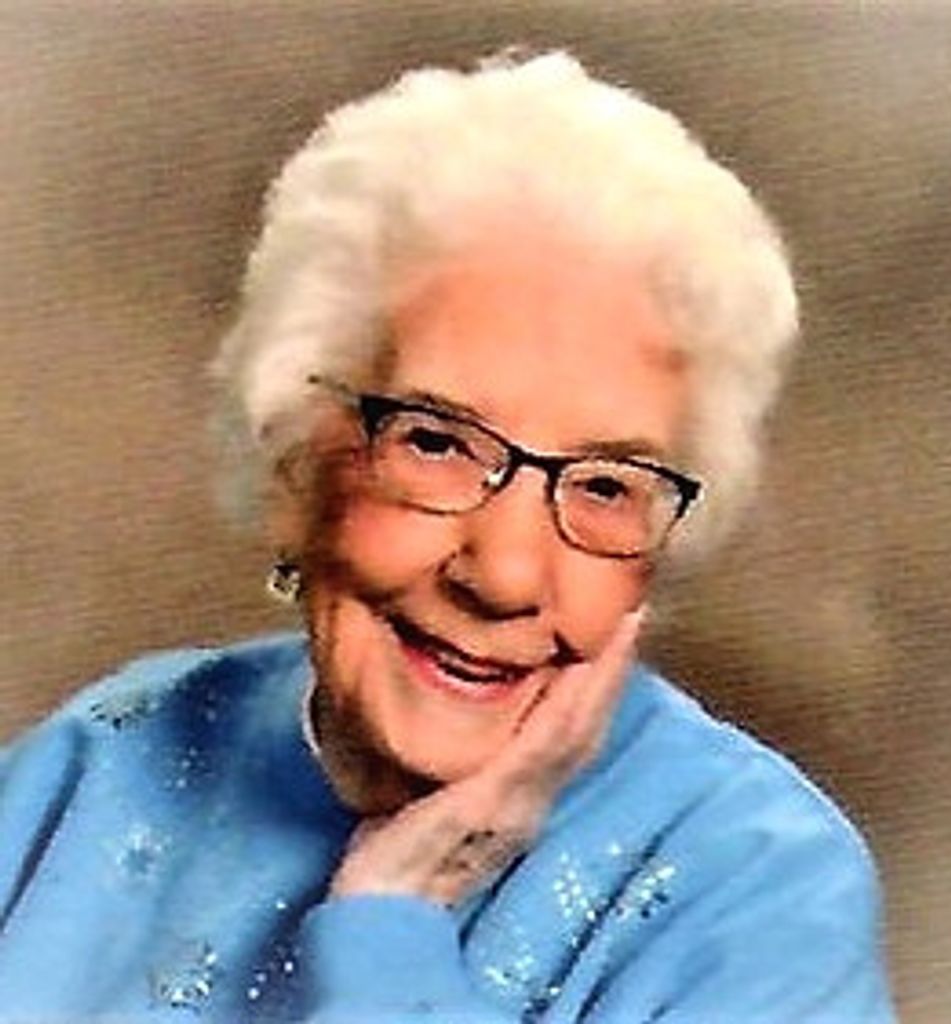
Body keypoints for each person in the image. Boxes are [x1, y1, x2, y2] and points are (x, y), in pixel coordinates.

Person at [0, 51, 895, 1022]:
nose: (504, 575)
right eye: (436, 443)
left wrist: (388, 928)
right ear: (296, 459)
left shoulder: (763, 896)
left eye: (605, 484)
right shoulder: (97, 762)